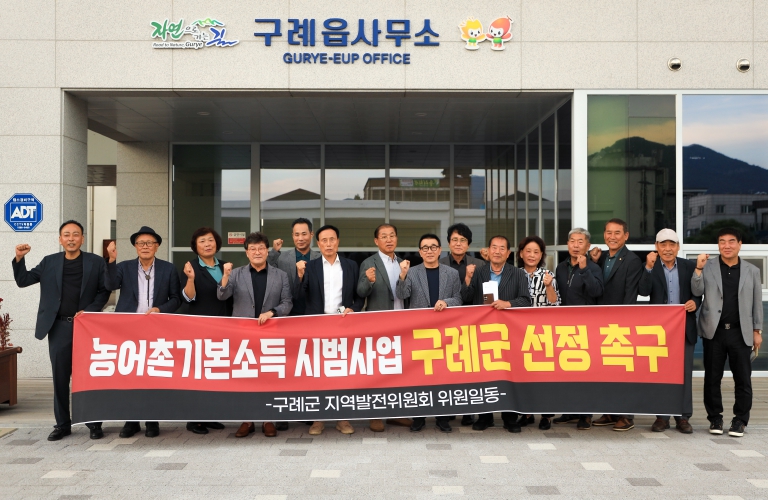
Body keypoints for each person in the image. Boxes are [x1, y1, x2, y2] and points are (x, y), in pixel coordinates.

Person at [12, 220, 110, 441]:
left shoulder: (95, 262)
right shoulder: (49, 262)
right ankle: (63, 425)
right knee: (60, 377)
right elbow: (23, 280)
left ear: (82, 239)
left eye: (75, 234)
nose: (71, 238)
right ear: (60, 239)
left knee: (89, 376)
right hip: (58, 327)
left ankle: (94, 423)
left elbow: (104, 291)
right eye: (66, 235)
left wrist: (89, 310)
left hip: (86, 326)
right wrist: (19, 258)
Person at [105, 226, 181, 439]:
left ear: (157, 246)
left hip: (157, 329)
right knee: (131, 374)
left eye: (149, 243)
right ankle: (131, 421)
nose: (145, 246)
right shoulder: (124, 267)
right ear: (135, 247)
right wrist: (111, 260)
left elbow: (176, 299)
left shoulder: (168, 269)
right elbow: (110, 284)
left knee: (153, 375)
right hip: (128, 329)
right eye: (140, 243)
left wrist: (160, 309)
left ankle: (152, 420)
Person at [218, 232, 293, 438]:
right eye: (253, 249)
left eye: (261, 248)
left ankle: (268, 419)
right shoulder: (236, 274)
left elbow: (287, 302)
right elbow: (222, 295)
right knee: (246, 377)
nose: (257, 252)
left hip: (271, 334)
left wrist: (272, 313)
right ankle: (247, 420)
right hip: (243, 336)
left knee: (269, 377)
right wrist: (225, 277)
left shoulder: (280, 275)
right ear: (247, 252)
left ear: (267, 251)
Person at [692, 227, 763, 437]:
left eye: (731, 241)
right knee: (712, 378)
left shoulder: (752, 270)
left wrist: (757, 330)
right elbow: (696, 291)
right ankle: (715, 418)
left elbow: (757, 303)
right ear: (718, 245)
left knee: (743, 379)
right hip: (714, 332)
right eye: (722, 242)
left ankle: (740, 420)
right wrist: (698, 268)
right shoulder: (708, 267)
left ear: (740, 244)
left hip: (741, 332)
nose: (727, 245)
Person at [298, 225, 364, 435]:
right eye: (324, 240)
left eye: (332, 239)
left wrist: (354, 308)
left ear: (338, 241)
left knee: (342, 371)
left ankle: (342, 419)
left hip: (343, 324)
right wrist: (300, 276)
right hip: (317, 325)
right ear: (318, 244)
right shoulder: (311, 266)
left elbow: (359, 295)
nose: (328, 244)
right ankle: (318, 419)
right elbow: (300, 295)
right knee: (319, 372)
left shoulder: (351, 265)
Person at [463, 235, 531, 433]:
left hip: (508, 333)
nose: (497, 251)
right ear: (488, 250)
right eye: (494, 247)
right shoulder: (479, 272)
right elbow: (466, 298)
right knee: (484, 374)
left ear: (508, 253)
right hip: (483, 331)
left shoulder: (518, 274)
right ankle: (485, 417)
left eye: (502, 248)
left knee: (508, 374)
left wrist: (508, 303)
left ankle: (510, 418)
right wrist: (467, 279)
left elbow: (526, 300)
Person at [396, 234, 463, 433]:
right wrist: (402, 275)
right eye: (425, 248)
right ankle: (419, 417)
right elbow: (402, 295)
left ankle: (443, 418)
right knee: (419, 375)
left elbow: (459, 298)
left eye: (433, 247)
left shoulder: (451, 273)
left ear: (440, 250)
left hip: (444, 331)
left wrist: (447, 302)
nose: (429, 251)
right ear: (420, 252)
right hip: (419, 331)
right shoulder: (412, 272)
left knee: (443, 375)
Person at [639, 229, 700, 434]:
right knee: (661, 374)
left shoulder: (688, 266)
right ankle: (662, 417)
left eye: (671, 245)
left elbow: (698, 292)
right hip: (660, 330)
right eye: (663, 245)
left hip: (684, 329)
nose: (667, 249)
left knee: (684, 374)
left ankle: (683, 417)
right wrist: (648, 267)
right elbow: (643, 291)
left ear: (678, 247)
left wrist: (695, 302)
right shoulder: (651, 266)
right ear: (656, 247)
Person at [356, 223, 412, 432]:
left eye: (392, 235)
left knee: (398, 370)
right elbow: (360, 292)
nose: (389, 240)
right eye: (384, 236)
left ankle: (395, 414)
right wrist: (369, 281)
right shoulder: (368, 263)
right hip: (378, 326)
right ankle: (376, 415)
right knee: (378, 371)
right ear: (376, 241)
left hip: (401, 324)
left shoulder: (402, 263)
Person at [589, 218, 643, 431]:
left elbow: (630, 295)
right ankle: (610, 412)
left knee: (623, 370)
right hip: (600, 322)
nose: (612, 237)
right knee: (605, 369)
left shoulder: (632, 260)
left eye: (617, 233)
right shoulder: (600, 257)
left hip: (620, 325)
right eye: (608, 232)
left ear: (626, 236)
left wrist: (624, 322)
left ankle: (626, 415)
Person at [266, 217, 320, 432]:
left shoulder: (319, 257)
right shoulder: (283, 257)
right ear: (292, 236)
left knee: (308, 366)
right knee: (287, 366)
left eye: (304, 234)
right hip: (287, 317)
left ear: (311, 235)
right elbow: (266, 270)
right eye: (296, 234)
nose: (300, 238)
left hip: (313, 318)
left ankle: (306, 411)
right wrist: (274, 251)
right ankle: (284, 413)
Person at [180, 227, 231, 436]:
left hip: (223, 327)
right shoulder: (190, 267)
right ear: (195, 246)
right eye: (202, 241)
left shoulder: (224, 266)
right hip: (200, 328)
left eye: (210, 240)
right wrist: (191, 279)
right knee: (199, 373)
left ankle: (210, 415)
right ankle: (195, 419)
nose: (207, 244)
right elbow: (188, 298)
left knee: (215, 371)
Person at [553, 228, 604, 430]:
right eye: (572, 241)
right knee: (567, 370)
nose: (575, 245)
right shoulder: (561, 267)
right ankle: (570, 411)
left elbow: (597, 291)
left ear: (588, 246)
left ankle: (586, 414)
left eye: (580, 242)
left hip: (586, 327)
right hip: (564, 326)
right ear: (567, 244)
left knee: (585, 372)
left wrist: (584, 270)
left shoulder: (593, 268)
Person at [438, 223, 485, 427]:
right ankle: (448, 409)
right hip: (445, 324)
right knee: (447, 367)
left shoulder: (480, 265)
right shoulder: (439, 263)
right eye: (455, 240)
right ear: (448, 243)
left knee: (469, 367)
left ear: (469, 244)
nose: (458, 244)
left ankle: (468, 411)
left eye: (463, 240)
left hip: (472, 324)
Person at [517, 236, 560, 430]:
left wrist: (549, 285)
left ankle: (546, 415)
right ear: (521, 254)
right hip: (519, 332)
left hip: (543, 333)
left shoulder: (548, 274)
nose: (532, 255)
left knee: (544, 375)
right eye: (528, 251)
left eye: (536, 252)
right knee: (524, 373)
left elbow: (555, 303)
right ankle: (526, 413)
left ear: (541, 255)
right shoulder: (514, 274)